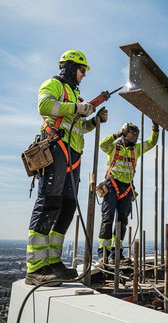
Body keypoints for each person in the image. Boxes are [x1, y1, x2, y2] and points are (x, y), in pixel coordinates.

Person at [26, 50, 108, 286]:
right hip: (55, 149)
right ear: (71, 68)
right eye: (82, 70)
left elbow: (79, 128)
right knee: (49, 202)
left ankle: (52, 262)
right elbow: (44, 106)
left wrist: (93, 120)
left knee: (67, 206)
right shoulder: (54, 84)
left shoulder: (75, 95)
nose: (84, 75)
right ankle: (35, 268)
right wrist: (74, 109)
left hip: (73, 155)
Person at [98, 121, 159, 264]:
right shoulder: (113, 147)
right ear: (125, 133)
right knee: (108, 218)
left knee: (122, 220)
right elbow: (102, 144)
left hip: (127, 188)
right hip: (112, 185)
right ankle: (103, 254)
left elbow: (151, 142)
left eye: (135, 135)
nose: (134, 137)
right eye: (131, 133)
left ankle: (116, 254)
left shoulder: (136, 149)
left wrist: (155, 129)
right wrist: (117, 134)